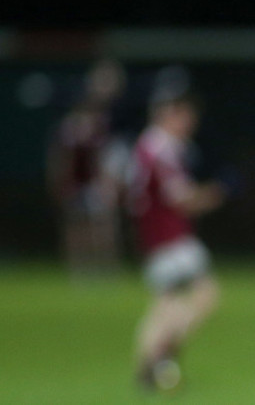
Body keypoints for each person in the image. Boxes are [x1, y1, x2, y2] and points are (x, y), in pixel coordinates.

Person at [127, 83, 227, 391]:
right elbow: (179, 197)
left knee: (165, 304)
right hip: (171, 238)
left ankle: (148, 368)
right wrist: (213, 195)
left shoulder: (148, 145)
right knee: (205, 296)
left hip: (155, 237)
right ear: (169, 114)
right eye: (185, 116)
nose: (189, 124)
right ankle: (159, 357)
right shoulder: (161, 148)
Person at [46, 58, 127, 277]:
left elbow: (103, 156)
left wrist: (107, 182)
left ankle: (106, 268)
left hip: (95, 182)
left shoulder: (100, 125)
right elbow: (60, 157)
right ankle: (79, 269)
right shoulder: (68, 127)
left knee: (103, 225)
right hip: (74, 182)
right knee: (76, 225)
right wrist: (58, 181)